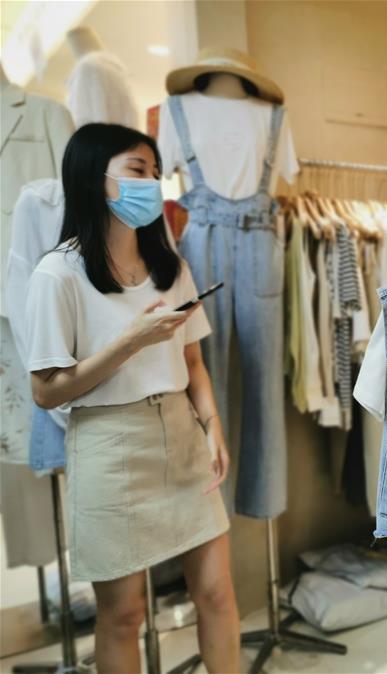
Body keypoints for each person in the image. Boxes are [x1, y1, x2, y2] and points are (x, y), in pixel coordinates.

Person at [25, 123, 239, 673]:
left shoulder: (171, 269)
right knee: (123, 615)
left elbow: (193, 363)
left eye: (155, 172)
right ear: (91, 178)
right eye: (137, 170)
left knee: (217, 592)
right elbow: (45, 391)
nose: (151, 184)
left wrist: (212, 425)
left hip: (181, 435)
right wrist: (128, 343)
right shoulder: (58, 274)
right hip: (109, 444)